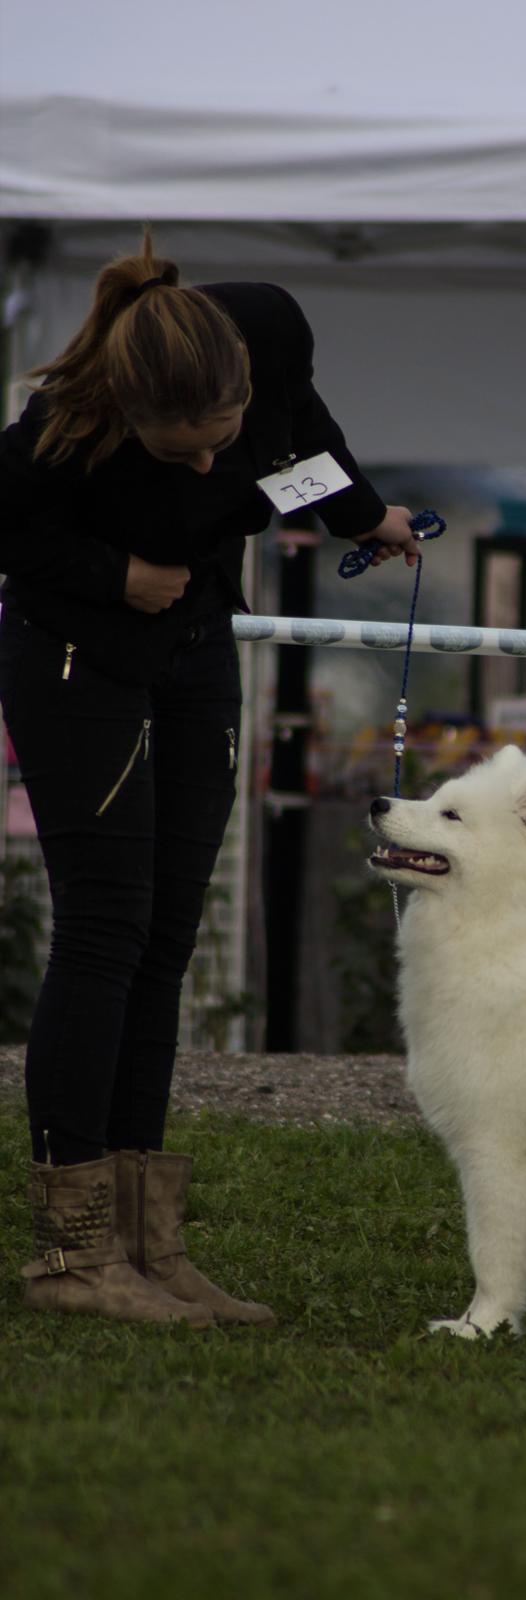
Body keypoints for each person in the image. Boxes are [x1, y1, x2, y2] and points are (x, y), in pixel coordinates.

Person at [0, 230, 419, 1328]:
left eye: (219, 438)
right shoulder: (64, 422)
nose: (203, 466)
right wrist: (110, 571)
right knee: (104, 928)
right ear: (126, 415)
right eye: (175, 451)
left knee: (169, 935)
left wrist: (360, 513)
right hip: (77, 655)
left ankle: (149, 1244)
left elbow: (309, 432)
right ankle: (71, 1255)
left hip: (195, 646)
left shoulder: (268, 330)